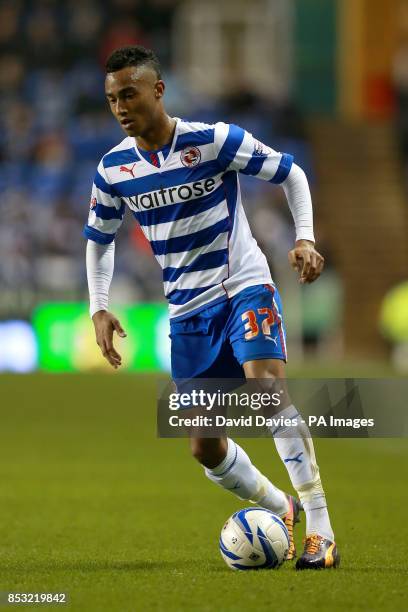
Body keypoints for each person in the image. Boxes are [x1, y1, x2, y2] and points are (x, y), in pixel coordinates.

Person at [84, 45, 339, 570]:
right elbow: (99, 239)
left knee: (267, 391)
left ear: (158, 90)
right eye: (112, 99)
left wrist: (306, 239)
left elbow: (290, 173)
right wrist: (100, 306)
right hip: (186, 315)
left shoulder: (214, 141)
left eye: (129, 94)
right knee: (204, 447)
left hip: (241, 288)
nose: (120, 107)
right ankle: (280, 507)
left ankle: (320, 527)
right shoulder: (113, 170)